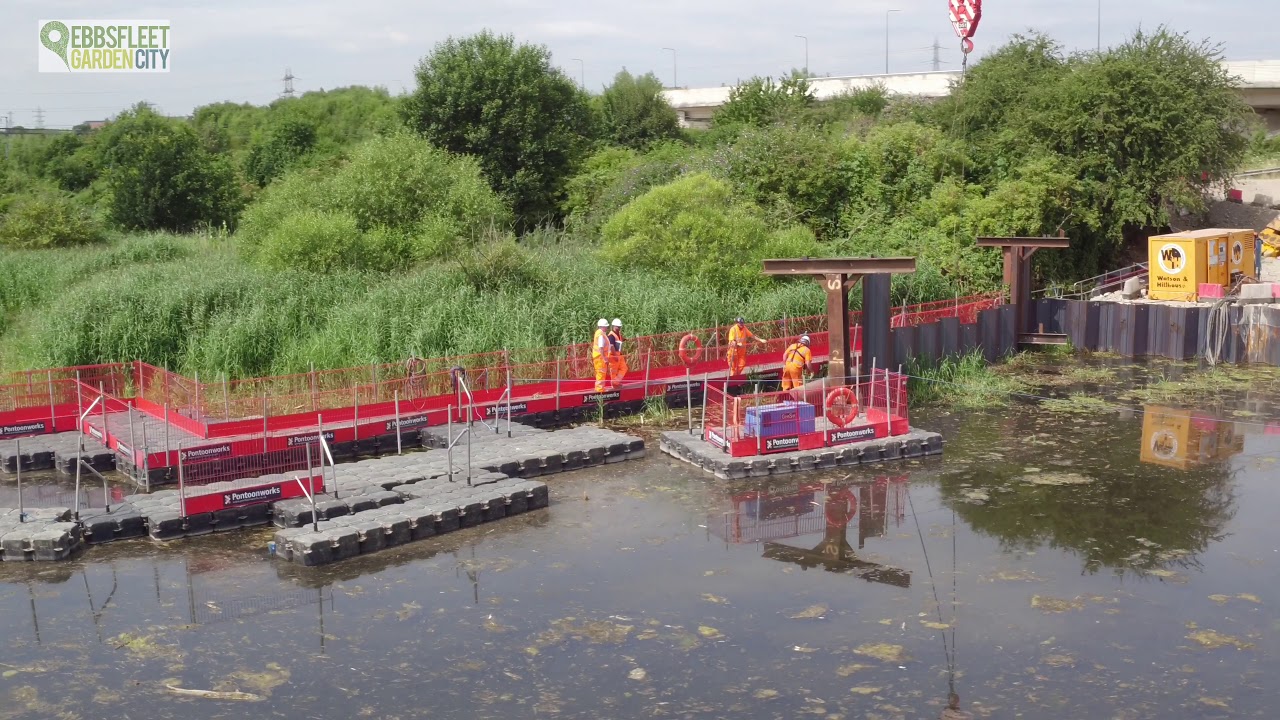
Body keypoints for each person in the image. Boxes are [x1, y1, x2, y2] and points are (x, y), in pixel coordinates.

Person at [591, 318, 612, 392]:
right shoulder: (600, 335)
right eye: (606, 326)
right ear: (603, 326)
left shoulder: (598, 333)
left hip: (598, 357)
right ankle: (600, 390)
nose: (607, 328)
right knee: (601, 373)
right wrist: (604, 358)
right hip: (600, 358)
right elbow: (601, 348)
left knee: (600, 373)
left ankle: (600, 388)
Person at [607, 318, 628, 385]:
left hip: (619, 355)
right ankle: (614, 384)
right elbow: (611, 346)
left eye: (619, 327)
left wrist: (624, 339)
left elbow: (618, 339)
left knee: (624, 368)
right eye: (618, 327)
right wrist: (615, 355)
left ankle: (616, 382)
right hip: (613, 356)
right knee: (614, 371)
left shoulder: (618, 333)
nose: (619, 328)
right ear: (613, 326)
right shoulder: (611, 335)